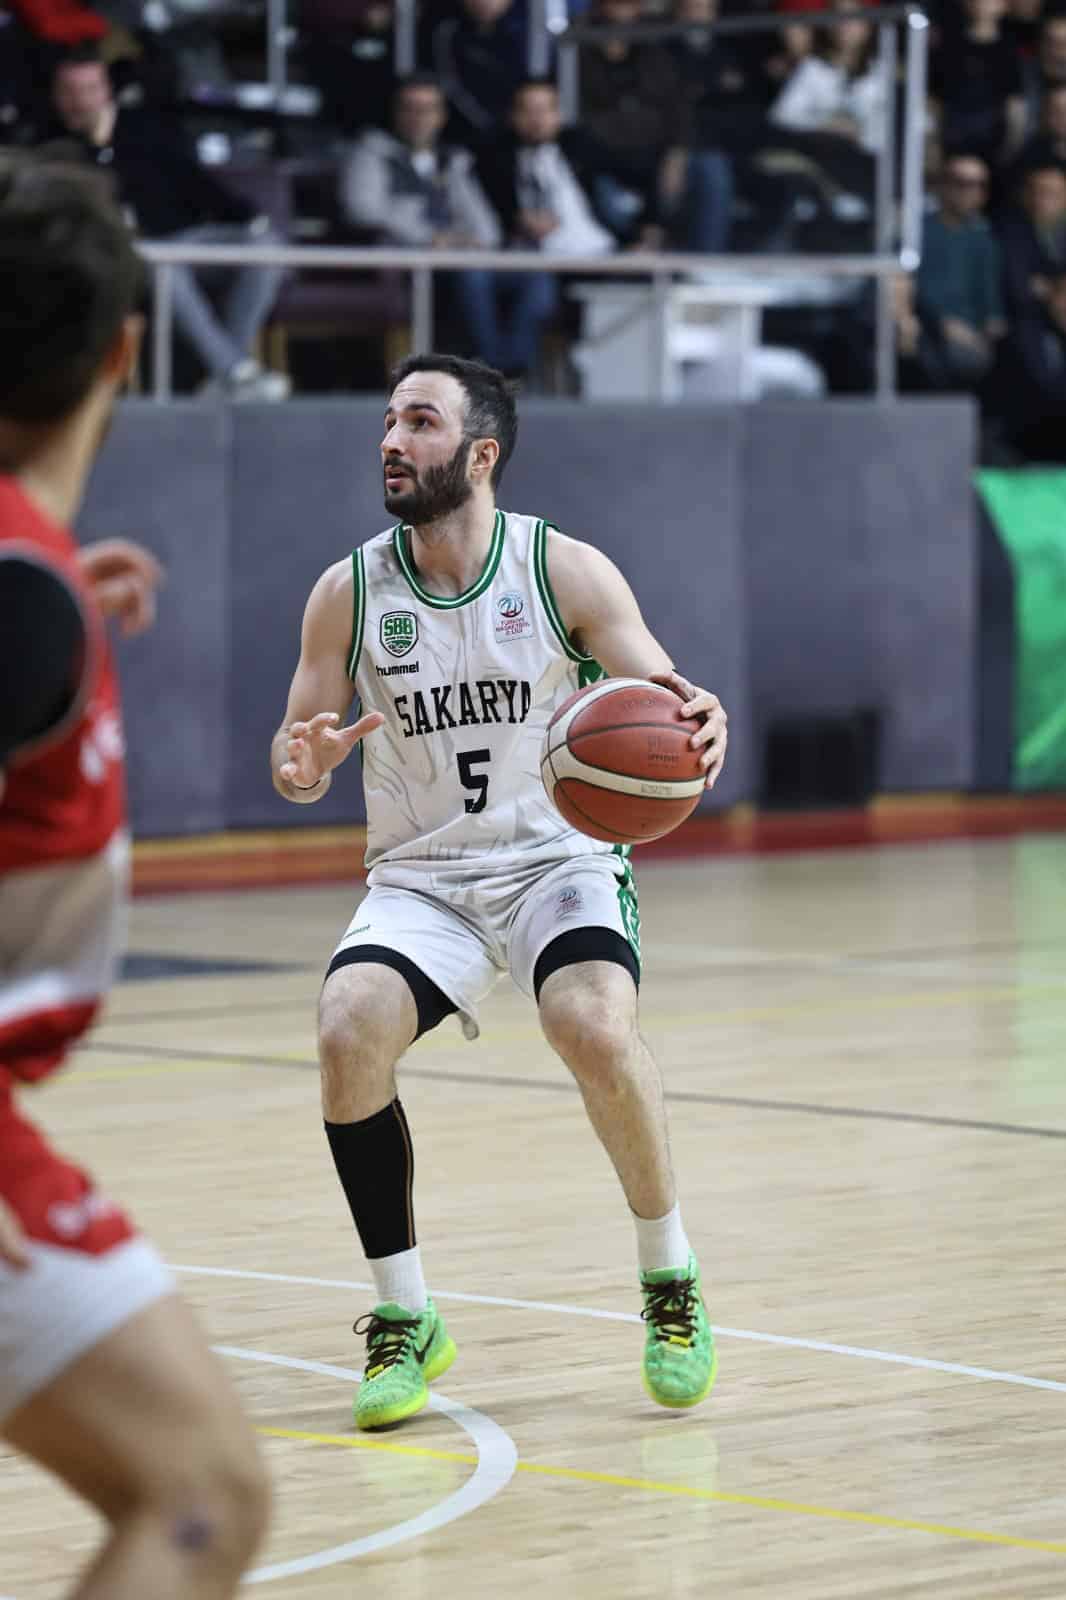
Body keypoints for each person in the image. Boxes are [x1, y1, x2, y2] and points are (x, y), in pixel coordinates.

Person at [271, 352, 728, 1432]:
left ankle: (669, 1277)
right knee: (346, 1028)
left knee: (593, 1027)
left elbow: (665, 699)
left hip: (556, 858)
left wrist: (701, 719)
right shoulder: (348, 591)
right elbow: (295, 751)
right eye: (389, 419)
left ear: (480, 455)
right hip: (423, 877)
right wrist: (301, 766)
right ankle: (406, 1317)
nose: (392, 439)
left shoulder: (561, 570)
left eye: (420, 422)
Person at [0, 155, 270, 1596]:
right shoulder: (17, 589)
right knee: (200, 1496)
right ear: (124, 349)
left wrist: (46, 623)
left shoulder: (27, 581)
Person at [48, 46, 290, 400]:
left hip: (183, 239)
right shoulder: (52, 147)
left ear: (107, 91)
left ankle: (229, 373)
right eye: (70, 92)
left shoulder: (147, 128)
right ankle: (235, 372)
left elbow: (196, 182)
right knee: (163, 269)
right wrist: (97, 147)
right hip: (122, 257)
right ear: (56, 96)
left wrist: (249, 219)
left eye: (89, 89)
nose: (81, 101)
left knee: (266, 249)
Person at [915, 151, 1005, 388]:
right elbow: (913, 287)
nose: (972, 192)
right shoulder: (919, 232)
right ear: (943, 186)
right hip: (930, 329)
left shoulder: (984, 236)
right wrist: (941, 322)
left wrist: (991, 320)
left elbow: (989, 290)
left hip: (975, 331)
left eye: (980, 185)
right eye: (963, 183)